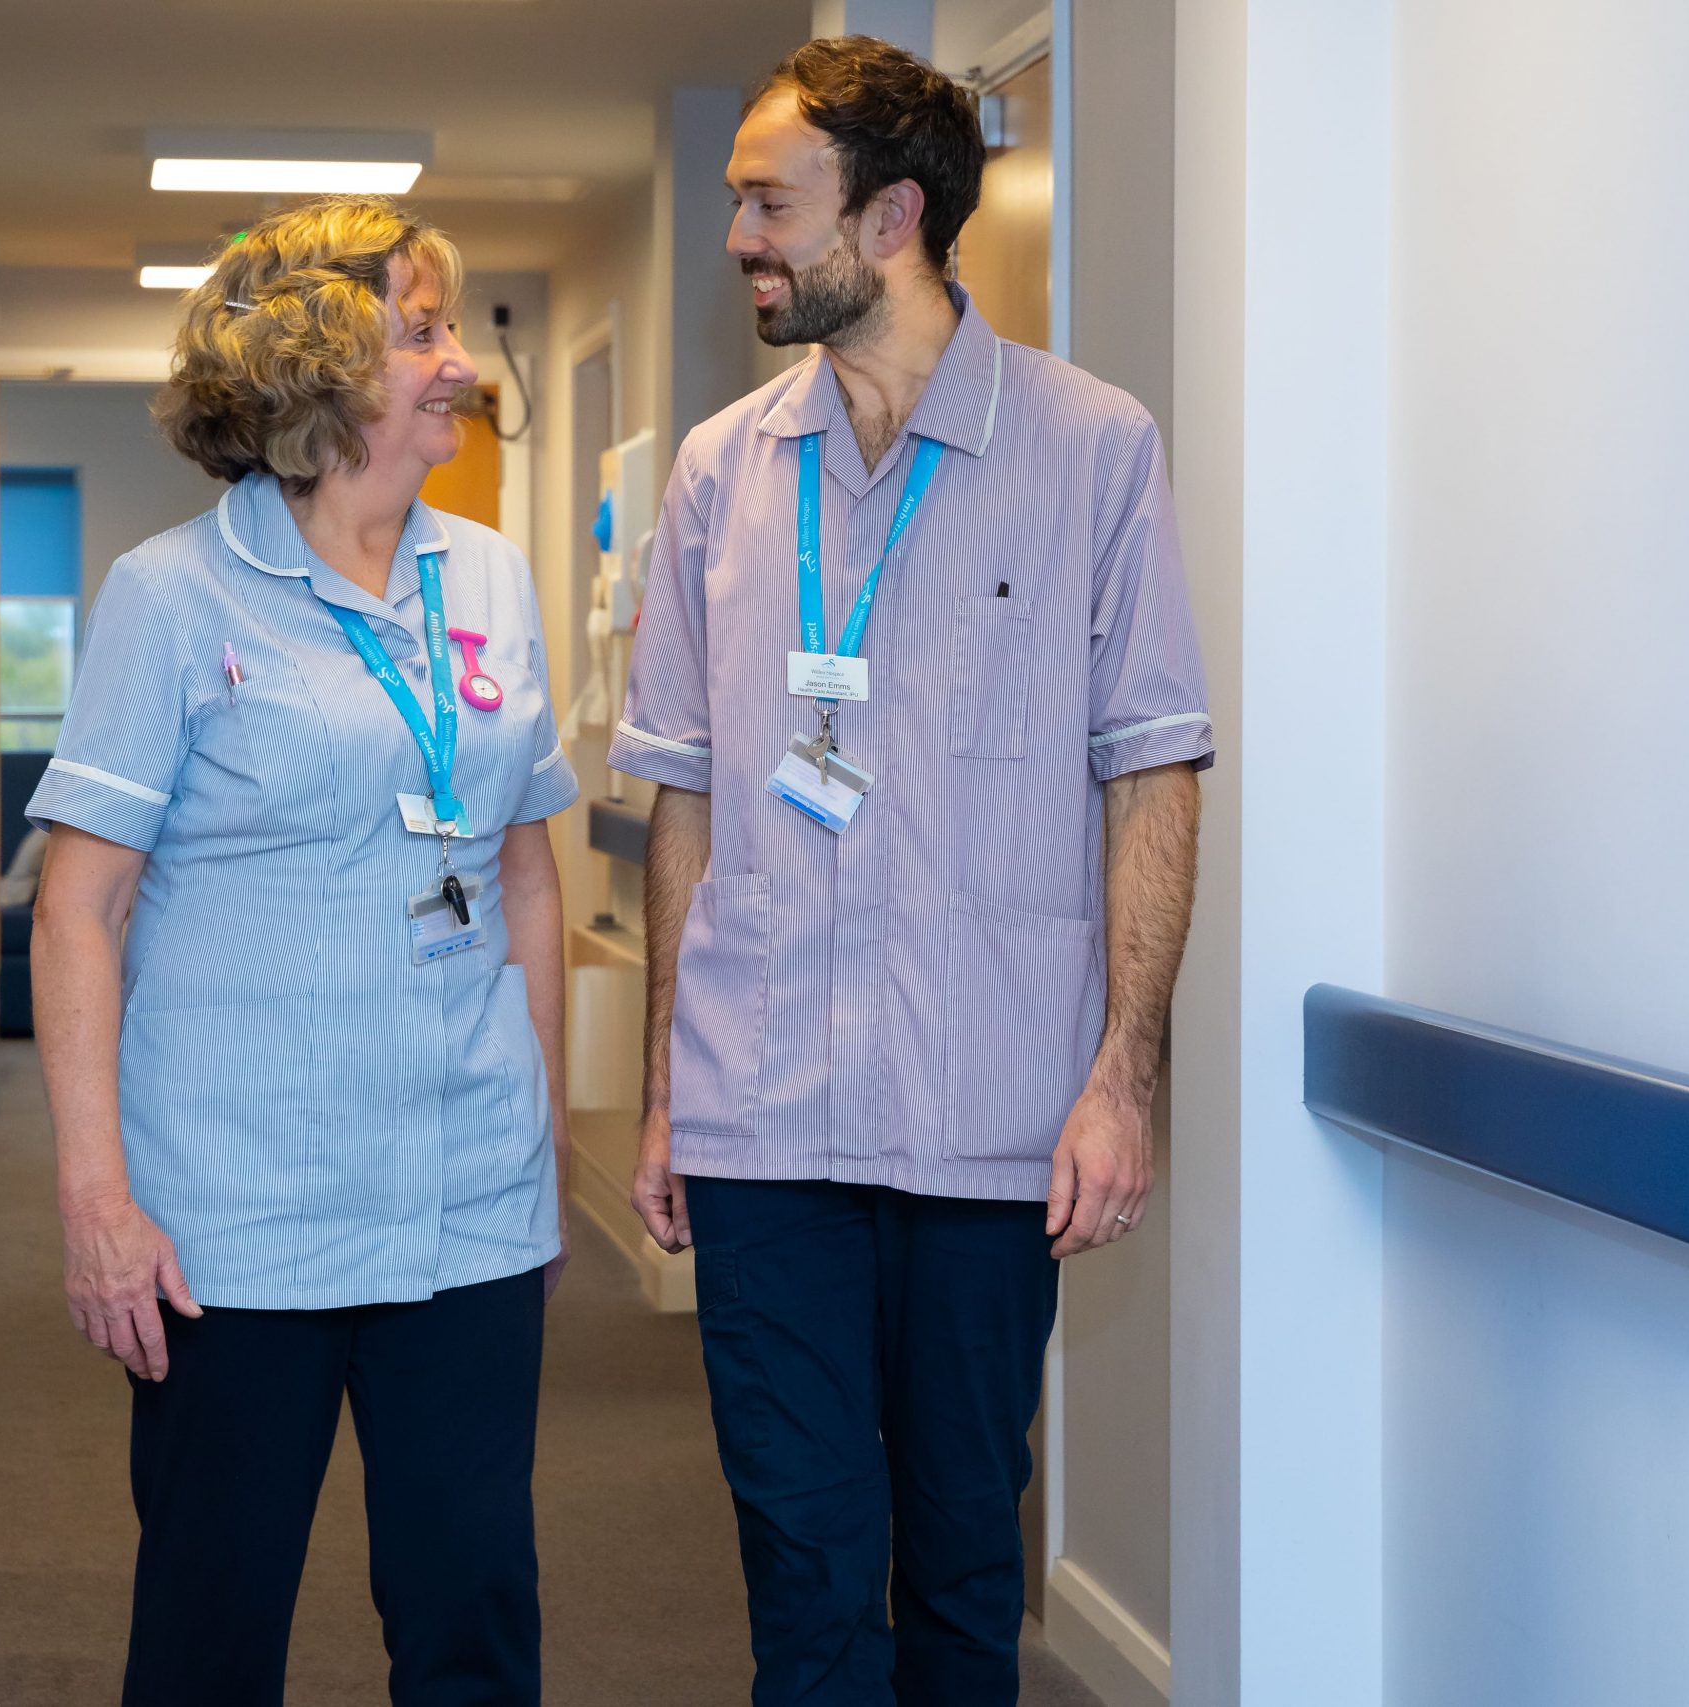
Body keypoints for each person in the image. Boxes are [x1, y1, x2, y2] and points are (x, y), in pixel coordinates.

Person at [610, 37, 1210, 1707]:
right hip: (763, 1113)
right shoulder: (723, 474)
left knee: (959, 1563)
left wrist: (1124, 1076)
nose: (738, 232)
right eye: (734, 195)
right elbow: (680, 789)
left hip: (990, 1117)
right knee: (803, 1572)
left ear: (887, 219)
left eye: (766, 200)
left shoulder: (1093, 451)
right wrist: (667, 1081)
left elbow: (1154, 764)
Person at [27, 194, 577, 1706]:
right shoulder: (171, 596)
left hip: (464, 1199)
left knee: (474, 1615)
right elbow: (79, 909)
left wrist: (530, 1131)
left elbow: (524, 868)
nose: (459, 363)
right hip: (235, 1224)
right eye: (422, 331)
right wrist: (97, 1202)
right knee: (213, 1635)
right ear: (320, 373)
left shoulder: (493, 581)